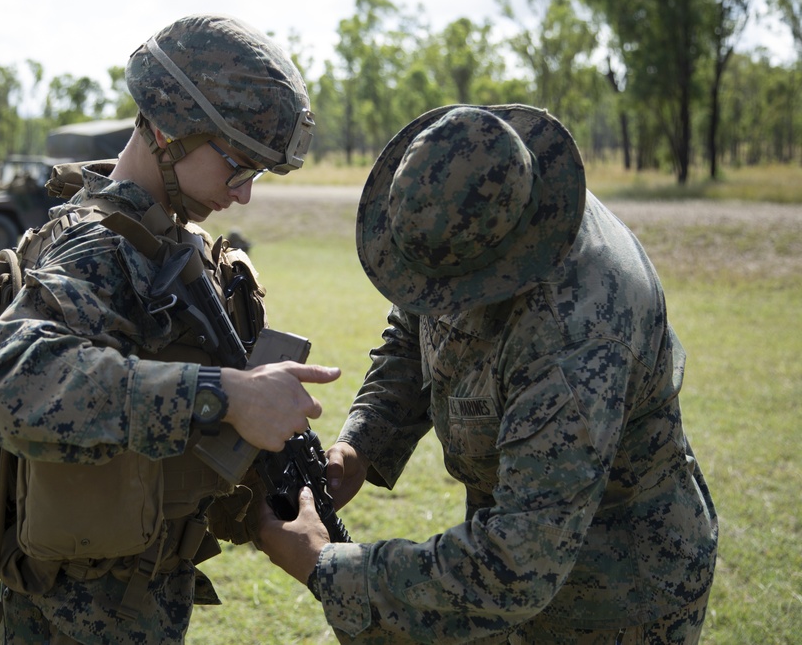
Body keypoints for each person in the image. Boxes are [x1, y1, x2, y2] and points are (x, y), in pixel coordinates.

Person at [257, 105, 718, 644]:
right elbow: (414, 332)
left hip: (617, 600)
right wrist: (361, 445)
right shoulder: (481, 212)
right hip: (516, 563)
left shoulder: (575, 334)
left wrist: (325, 565)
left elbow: (518, 563)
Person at [0, 14, 339, 644]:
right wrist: (226, 394)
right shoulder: (99, 246)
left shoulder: (169, 242)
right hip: (74, 618)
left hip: (134, 599)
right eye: (237, 166)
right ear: (170, 132)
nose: (244, 194)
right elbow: (6, 386)